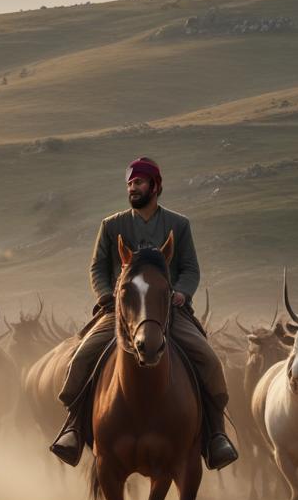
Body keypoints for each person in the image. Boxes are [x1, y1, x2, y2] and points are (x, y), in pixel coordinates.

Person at [49, 156, 238, 470]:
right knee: (81, 358)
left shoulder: (179, 225)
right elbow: (97, 267)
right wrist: (106, 295)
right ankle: (73, 427)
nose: (133, 188)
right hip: (121, 312)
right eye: (130, 183)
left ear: (155, 185)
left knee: (209, 360)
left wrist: (182, 292)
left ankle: (216, 434)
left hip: (168, 311)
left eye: (139, 182)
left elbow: (190, 268)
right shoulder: (112, 225)